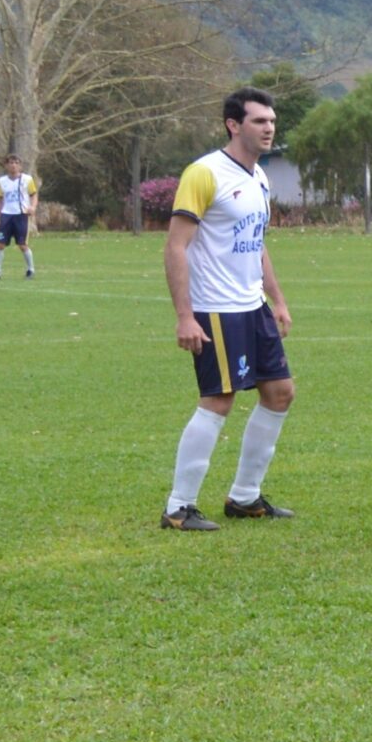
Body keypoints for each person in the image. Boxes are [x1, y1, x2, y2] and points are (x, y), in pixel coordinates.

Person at [159, 88, 297, 532]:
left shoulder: (259, 177)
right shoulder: (204, 173)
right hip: (215, 309)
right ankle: (178, 507)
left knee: (280, 394)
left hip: (252, 306)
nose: (269, 127)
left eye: (272, 120)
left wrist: (276, 299)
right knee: (219, 400)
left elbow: (256, 245)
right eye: (259, 121)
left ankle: (244, 496)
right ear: (233, 125)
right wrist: (185, 316)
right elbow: (176, 247)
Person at [0, 153, 38, 279]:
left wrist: (32, 207)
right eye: (10, 163)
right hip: (6, 215)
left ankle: (30, 270)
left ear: (20, 166)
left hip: (21, 215)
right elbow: (0, 200)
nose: (13, 165)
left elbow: (33, 195)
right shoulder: (2, 181)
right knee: (0, 244)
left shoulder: (27, 180)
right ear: (6, 165)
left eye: (16, 163)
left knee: (22, 245)